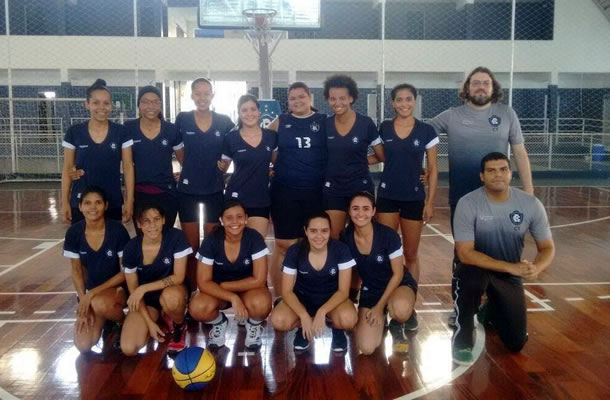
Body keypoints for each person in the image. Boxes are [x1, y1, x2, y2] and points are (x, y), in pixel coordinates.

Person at [428, 67, 534, 326]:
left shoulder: (507, 114)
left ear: (492, 87)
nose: (480, 87)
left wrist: (529, 191)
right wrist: (421, 168)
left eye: (485, 83)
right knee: (463, 255)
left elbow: (520, 152)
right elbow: (419, 136)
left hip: (500, 200)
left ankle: (497, 308)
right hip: (462, 199)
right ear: (467, 89)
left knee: (502, 253)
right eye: (475, 83)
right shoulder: (451, 116)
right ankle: (461, 309)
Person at [451, 152, 554, 365]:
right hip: (475, 269)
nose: (498, 175)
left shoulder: (530, 204)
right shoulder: (468, 203)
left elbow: (547, 247)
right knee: (471, 279)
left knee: (516, 343)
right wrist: (510, 267)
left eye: (503, 169)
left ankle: (490, 310)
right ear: (482, 176)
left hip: (508, 276)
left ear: (510, 173)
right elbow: (464, 253)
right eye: (491, 171)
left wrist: (536, 268)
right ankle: (462, 338)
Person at [268, 82, 327, 296]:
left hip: (315, 192)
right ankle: (280, 298)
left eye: (301, 97)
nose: (297, 101)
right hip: (285, 192)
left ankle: (308, 293)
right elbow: (263, 145)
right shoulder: (281, 122)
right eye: (293, 98)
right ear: (288, 102)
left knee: (312, 244)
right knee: (283, 245)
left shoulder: (323, 122)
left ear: (310, 97)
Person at [174, 78, 235, 286]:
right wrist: (189, 167)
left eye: (206, 93)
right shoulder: (182, 119)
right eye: (198, 93)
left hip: (214, 189)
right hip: (188, 191)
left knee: (210, 244)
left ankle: (208, 286)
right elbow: (178, 150)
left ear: (212, 95)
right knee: (191, 246)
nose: (202, 97)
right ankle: (191, 289)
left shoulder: (224, 121)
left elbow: (236, 144)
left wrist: (225, 165)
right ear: (191, 95)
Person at [270, 211, 358, 353]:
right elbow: (286, 291)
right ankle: (303, 328)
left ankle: (337, 329)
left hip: (332, 299)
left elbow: (343, 291)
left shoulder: (341, 250)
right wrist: (303, 315)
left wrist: (323, 311)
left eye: (324, 231)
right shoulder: (295, 251)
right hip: (303, 299)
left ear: (330, 231)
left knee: (348, 319)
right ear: (305, 231)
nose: (319, 236)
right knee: (278, 320)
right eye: (313, 231)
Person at [341, 192, 417, 354]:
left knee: (400, 309)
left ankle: (398, 322)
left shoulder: (388, 236)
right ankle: (382, 321)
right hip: (372, 290)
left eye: (366, 208)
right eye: (355, 208)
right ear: (349, 211)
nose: (360, 213)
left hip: (398, 285)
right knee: (366, 348)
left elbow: (397, 274)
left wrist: (379, 307)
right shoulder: (345, 238)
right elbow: (351, 274)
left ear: (374, 211)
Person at [189, 200, 271, 350]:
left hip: (249, 289)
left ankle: (253, 325)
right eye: (229, 217)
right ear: (221, 220)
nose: (235, 222)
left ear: (246, 218)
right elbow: (203, 282)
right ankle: (219, 322)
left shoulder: (254, 238)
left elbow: (259, 280)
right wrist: (232, 297)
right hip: (219, 292)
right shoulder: (211, 241)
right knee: (197, 307)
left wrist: (228, 286)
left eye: (239, 217)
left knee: (262, 305)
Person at [63, 186, 131, 353]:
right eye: (87, 203)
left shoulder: (117, 231)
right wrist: (83, 300)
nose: (93, 207)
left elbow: (125, 273)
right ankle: (106, 318)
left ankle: (122, 322)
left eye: (98, 202)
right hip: (93, 297)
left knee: (100, 303)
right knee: (83, 345)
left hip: (117, 290)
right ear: (80, 207)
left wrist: (90, 295)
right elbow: (77, 271)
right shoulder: (74, 233)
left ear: (106, 205)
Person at [120, 204, 193, 355]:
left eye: (156, 219)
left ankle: (179, 324)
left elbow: (178, 277)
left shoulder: (176, 237)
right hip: (147, 302)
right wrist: (149, 323)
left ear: (163, 220)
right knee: (129, 348)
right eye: (146, 221)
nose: (152, 225)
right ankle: (160, 318)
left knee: (171, 298)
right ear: (139, 224)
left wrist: (144, 288)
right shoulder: (131, 248)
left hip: (173, 291)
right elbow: (134, 292)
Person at [61, 78, 134, 224]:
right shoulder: (74, 132)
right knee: (82, 244)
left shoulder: (121, 132)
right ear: (87, 104)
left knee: (111, 244)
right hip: (82, 201)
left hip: (111, 200)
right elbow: (67, 169)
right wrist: (64, 202)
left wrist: (129, 200)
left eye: (106, 103)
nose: (102, 107)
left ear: (111, 106)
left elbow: (128, 168)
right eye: (96, 103)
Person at [322, 74, 384, 240]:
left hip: (360, 186)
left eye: (342, 98)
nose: (337, 103)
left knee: (363, 237)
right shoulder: (325, 125)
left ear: (351, 98)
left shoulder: (366, 124)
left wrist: (360, 161)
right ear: (328, 100)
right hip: (333, 189)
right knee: (334, 238)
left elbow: (381, 156)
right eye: (332, 98)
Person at [125, 85, 184, 231]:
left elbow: (185, 160)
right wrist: (129, 199)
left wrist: (184, 174)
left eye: (155, 102)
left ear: (161, 105)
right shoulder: (128, 128)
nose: (150, 106)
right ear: (138, 104)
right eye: (145, 101)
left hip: (167, 194)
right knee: (144, 239)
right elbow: (125, 164)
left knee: (165, 238)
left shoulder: (172, 130)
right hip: (139, 195)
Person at [220, 94, 277, 238]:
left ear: (259, 112)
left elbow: (277, 163)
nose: (249, 113)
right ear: (239, 113)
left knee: (256, 247)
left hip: (260, 199)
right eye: (244, 110)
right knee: (235, 246)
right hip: (235, 197)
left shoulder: (271, 136)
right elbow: (223, 167)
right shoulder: (230, 138)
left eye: (252, 109)